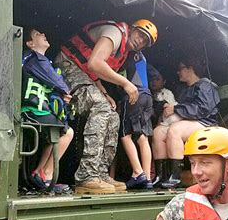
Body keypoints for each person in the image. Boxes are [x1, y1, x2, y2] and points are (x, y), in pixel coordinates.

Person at [55, 19, 158, 194]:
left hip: (84, 74)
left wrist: (105, 93)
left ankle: (100, 173)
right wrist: (126, 83)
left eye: (145, 41)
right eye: (140, 34)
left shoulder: (124, 52)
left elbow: (93, 73)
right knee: (101, 108)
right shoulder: (115, 33)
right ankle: (87, 176)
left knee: (112, 113)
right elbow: (95, 63)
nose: (141, 40)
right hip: (66, 64)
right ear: (132, 29)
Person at [152, 56, 220, 189]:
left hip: (205, 123)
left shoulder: (205, 85)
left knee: (175, 130)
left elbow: (202, 109)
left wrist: (176, 108)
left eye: (180, 69)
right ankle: (161, 176)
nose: (178, 72)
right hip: (187, 122)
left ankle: (175, 177)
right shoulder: (183, 89)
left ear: (191, 68)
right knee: (158, 132)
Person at [21, 28, 74, 192]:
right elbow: (58, 83)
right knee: (67, 132)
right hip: (32, 109)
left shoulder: (33, 60)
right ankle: (47, 174)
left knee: (56, 131)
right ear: (30, 44)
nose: (44, 34)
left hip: (36, 110)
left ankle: (39, 172)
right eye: (38, 34)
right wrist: (65, 92)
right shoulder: (36, 58)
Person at [118, 51, 154, 189]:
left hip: (134, 95)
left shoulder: (127, 53)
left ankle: (138, 173)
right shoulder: (142, 56)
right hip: (147, 95)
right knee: (141, 136)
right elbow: (155, 74)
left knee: (125, 134)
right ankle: (148, 178)